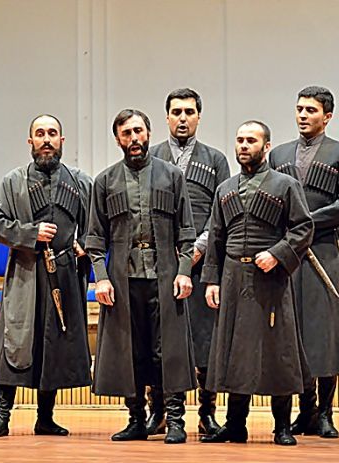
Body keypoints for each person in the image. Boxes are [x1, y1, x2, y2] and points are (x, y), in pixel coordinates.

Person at [200, 120, 314, 446]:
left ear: (266, 147)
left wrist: (278, 254)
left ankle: (282, 426)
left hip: (271, 280)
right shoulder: (225, 189)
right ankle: (235, 425)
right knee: (236, 352)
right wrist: (211, 281)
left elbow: (303, 228)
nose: (244, 145)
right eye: (240, 140)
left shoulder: (285, 185)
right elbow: (216, 238)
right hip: (233, 278)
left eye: (251, 140)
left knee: (278, 353)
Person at [87, 109, 196, 444]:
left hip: (165, 278)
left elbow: (187, 233)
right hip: (123, 281)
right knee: (130, 351)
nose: (133, 138)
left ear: (148, 133)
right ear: (117, 139)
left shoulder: (171, 175)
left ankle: (175, 420)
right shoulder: (105, 181)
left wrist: (184, 272)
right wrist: (101, 277)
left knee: (168, 351)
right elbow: (94, 239)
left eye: (138, 131)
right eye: (126, 133)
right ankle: (136, 418)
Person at [0, 114, 93, 438]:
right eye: (40, 134)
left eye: (52, 133)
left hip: (65, 276)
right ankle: (1, 417)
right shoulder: (13, 181)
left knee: (53, 346)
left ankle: (45, 418)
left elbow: (96, 227)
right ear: (30, 141)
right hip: (26, 274)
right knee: (15, 342)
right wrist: (31, 233)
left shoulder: (81, 182)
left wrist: (84, 244)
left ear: (62, 140)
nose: (47, 139)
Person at [269, 86, 339, 438]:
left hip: (326, 251)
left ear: (327, 116)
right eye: (299, 109)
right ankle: (304, 410)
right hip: (290, 254)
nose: (303, 115)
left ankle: (325, 412)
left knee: (325, 333)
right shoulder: (278, 154)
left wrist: (306, 222)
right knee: (294, 334)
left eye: (310, 110)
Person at [147, 88, 230, 436]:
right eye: (177, 112)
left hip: (202, 264)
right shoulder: (151, 157)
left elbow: (222, 213)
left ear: (199, 116)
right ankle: (159, 411)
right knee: (160, 343)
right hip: (160, 266)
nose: (183, 118)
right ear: (167, 117)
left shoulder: (215, 159)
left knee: (205, 343)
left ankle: (207, 413)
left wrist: (197, 248)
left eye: (189, 112)